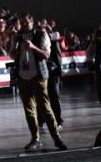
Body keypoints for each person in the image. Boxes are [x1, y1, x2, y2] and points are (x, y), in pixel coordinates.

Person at [10, 14, 67, 151]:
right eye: (21, 22)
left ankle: (57, 138)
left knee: (45, 108)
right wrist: (17, 47)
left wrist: (32, 47)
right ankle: (35, 139)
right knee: (29, 110)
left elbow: (46, 55)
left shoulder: (42, 34)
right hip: (23, 77)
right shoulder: (17, 37)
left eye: (26, 22)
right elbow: (12, 55)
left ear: (32, 22)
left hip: (38, 76)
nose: (23, 24)